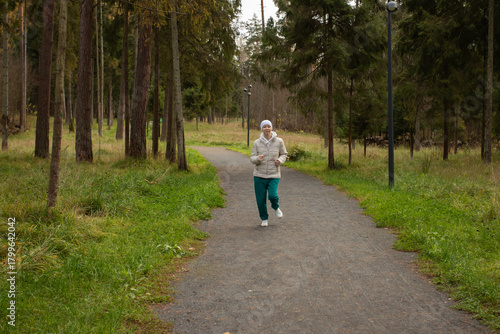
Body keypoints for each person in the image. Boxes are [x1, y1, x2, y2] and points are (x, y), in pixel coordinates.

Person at [250, 120, 288, 227]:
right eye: (264, 127)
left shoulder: (279, 141)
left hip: (274, 174)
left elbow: (284, 154)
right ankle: (264, 219)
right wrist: (257, 158)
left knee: (273, 195)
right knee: (260, 199)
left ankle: (275, 206)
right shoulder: (257, 143)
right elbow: (252, 158)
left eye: (268, 126)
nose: (267, 128)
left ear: (271, 128)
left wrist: (279, 161)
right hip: (259, 175)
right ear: (262, 129)